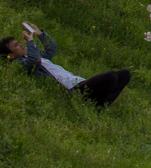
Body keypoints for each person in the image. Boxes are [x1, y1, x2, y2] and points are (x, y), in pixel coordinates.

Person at [1, 23, 131, 108]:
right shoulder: (23, 63)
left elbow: (51, 48)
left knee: (125, 74)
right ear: (11, 56)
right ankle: (98, 106)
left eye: (19, 42)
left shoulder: (39, 57)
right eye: (16, 45)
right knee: (112, 76)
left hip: (79, 82)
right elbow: (33, 59)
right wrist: (30, 42)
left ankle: (99, 103)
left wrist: (38, 34)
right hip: (72, 89)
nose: (21, 44)